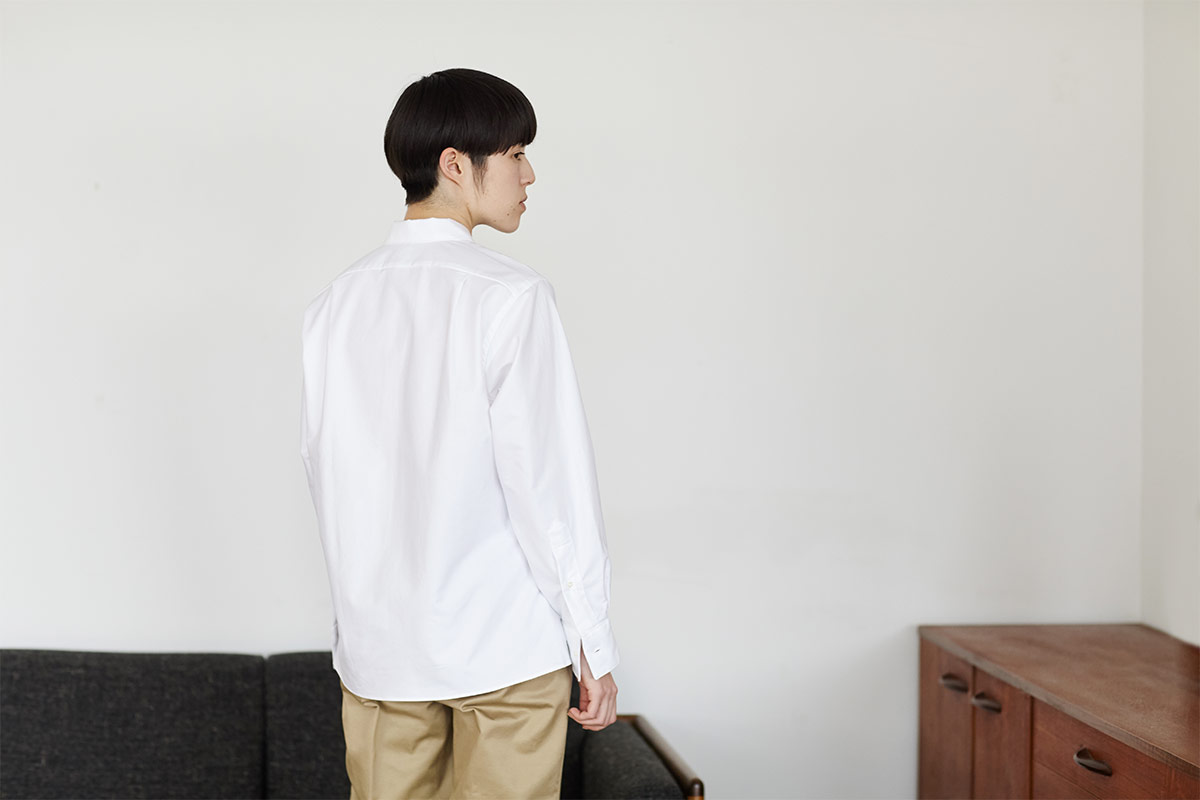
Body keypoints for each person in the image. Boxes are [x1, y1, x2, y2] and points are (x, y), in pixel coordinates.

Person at [298, 67, 619, 800]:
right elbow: (548, 484)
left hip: (382, 655)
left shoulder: (332, 308)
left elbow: (326, 477)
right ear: (454, 163)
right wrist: (592, 640)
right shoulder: (510, 297)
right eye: (515, 154)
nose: (529, 175)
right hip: (504, 650)